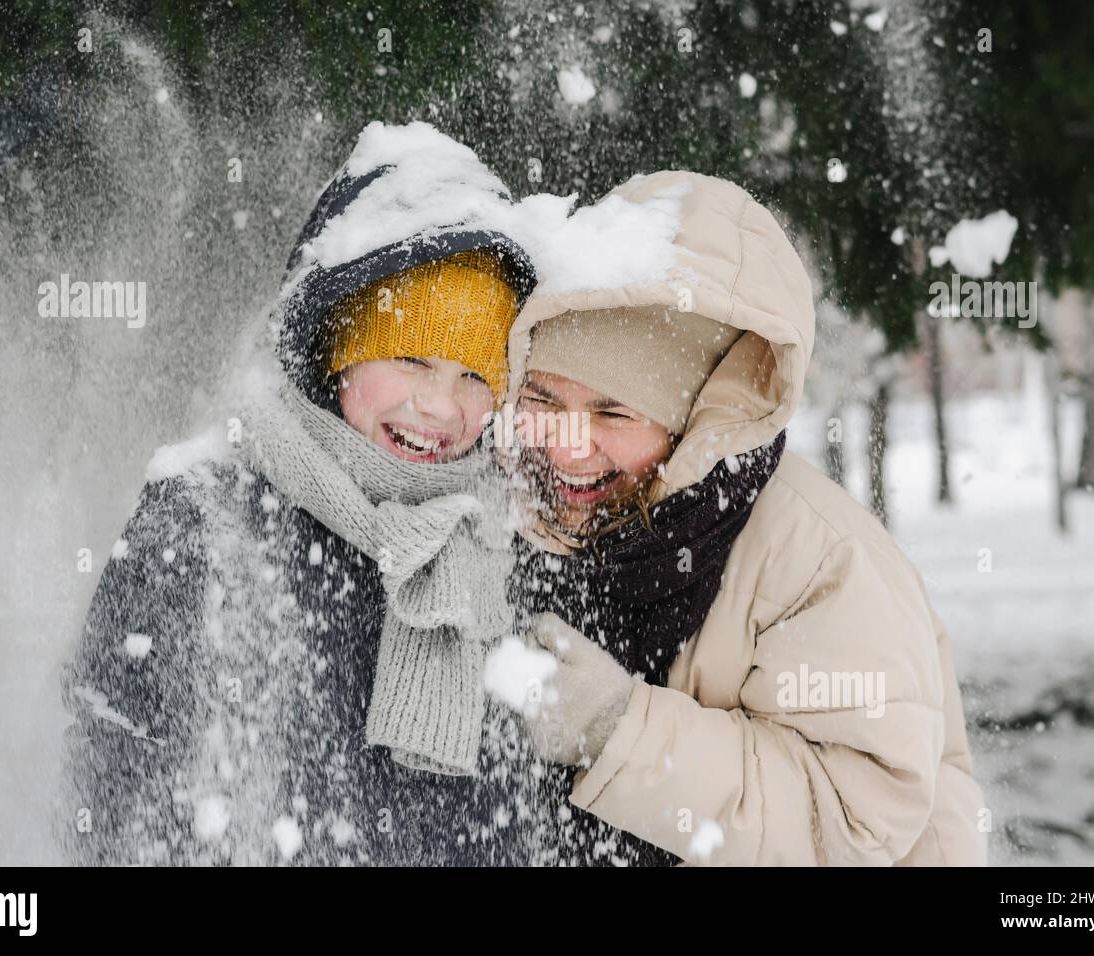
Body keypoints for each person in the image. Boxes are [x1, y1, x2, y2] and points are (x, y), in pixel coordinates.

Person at [60, 125, 547, 865]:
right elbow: (118, 798)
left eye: (476, 376)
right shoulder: (201, 522)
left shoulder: (500, 547)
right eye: (411, 359)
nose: (442, 410)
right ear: (333, 345)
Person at [507, 170, 988, 866]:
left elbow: (857, 820)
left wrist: (617, 729)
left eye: (614, 411)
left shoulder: (821, 560)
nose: (568, 445)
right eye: (545, 400)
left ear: (695, 423)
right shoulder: (536, 525)